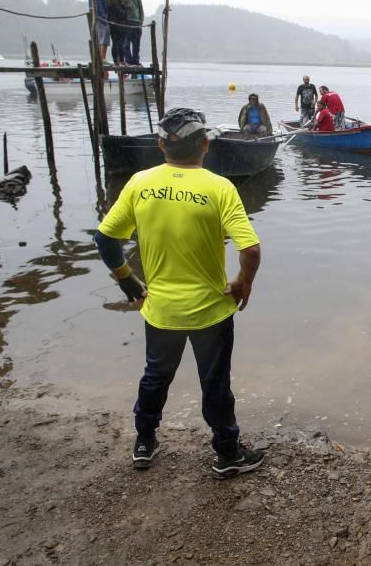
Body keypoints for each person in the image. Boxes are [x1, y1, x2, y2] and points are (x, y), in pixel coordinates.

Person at [93, 107, 265, 478]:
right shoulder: (220, 187)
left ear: (160, 145)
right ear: (205, 144)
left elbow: (105, 239)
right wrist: (242, 282)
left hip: (160, 309)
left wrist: (128, 282)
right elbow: (249, 249)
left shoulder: (140, 183)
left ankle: (144, 442)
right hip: (210, 312)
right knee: (215, 383)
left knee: (155, 376)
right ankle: (227, 452)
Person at [120, 0, 143, 65]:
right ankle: (128, 60)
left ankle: (136, 60)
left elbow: (140, 9)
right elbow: (122, 4)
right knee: (126, 43)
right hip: (127, 21)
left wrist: (141, 20)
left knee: (136, 44)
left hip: (136, 22)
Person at [88, 0, 110, 64]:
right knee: (104, 36)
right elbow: (99, 6)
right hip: (100, 18)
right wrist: (105, 17)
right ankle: (102, 58)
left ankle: (101, 58)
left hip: (95, 18)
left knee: (99, 38)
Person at [105, 0, 127, 67]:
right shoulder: (114, 1)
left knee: (115, 43)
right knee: (120, 43)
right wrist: (125, 8)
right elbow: (121, 13)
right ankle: (121, 61)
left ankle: (115, 61)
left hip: (111, 25)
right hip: (118, 25)